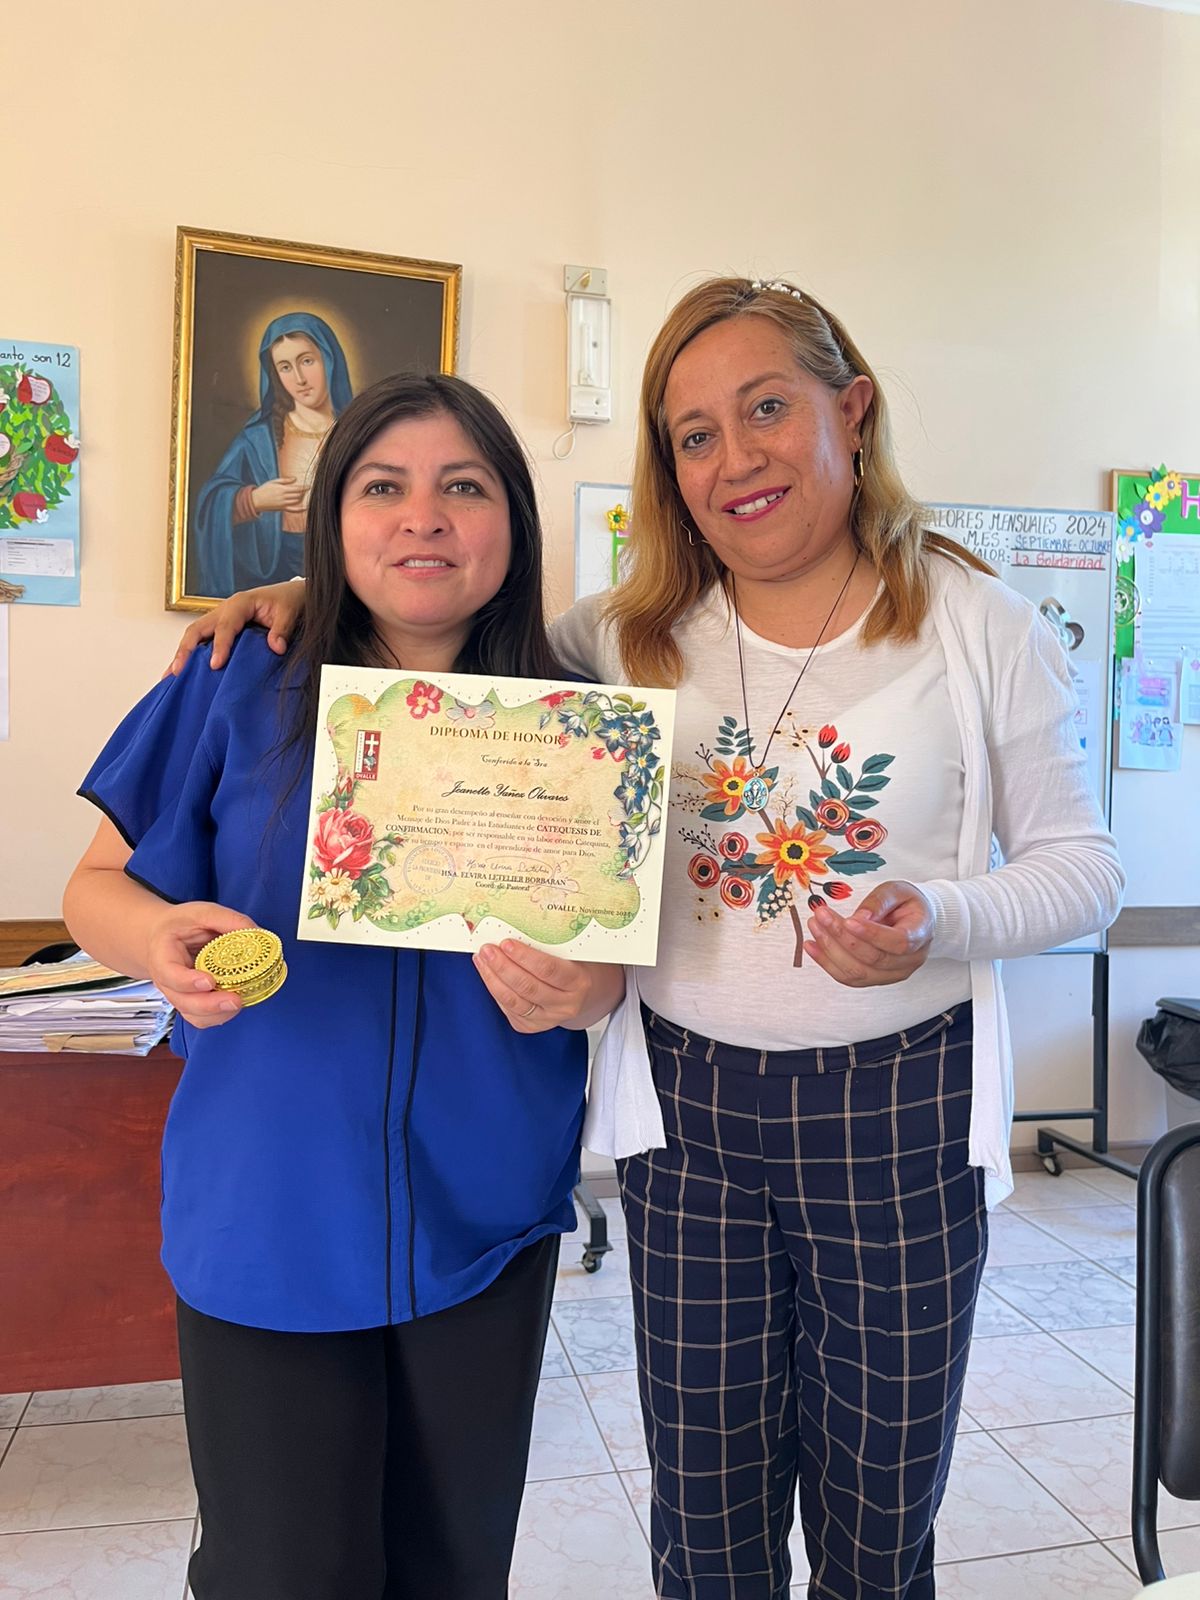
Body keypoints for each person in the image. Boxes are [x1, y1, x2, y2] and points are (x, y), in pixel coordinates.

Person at [167, 277, 1125, 1600]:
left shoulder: (975, 627)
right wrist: (299, 588)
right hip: (691, 1123)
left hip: (899, 1115)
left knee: (878, 1514)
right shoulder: (627, 635)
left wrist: (944, 918)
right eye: (693, 435)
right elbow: (455, 640)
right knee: (707, 1519)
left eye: (767, 410)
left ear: (852, 411)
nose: (735, 459)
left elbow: (1088, 869)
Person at [66, 373, 624, 1600]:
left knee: (451, 1568)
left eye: (463, 486)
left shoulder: (575, 724)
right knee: (285, 1571)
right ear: (332, 518)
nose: (423, 517)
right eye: (383, 487)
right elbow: (93, 887)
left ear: (513, 523)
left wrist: (584, 990)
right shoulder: (234, 675)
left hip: (484, 1216)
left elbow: (607, 972)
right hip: (266, 1208)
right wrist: (158, 937)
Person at [190, 311, 353, 597]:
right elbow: (211, 503)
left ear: (329, 359)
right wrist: (254, 500)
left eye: (307, 361)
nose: (299, 378)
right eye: (285, 367)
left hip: (342, 564)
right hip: (274, 567)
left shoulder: (358, 435)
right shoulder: (258, 438)